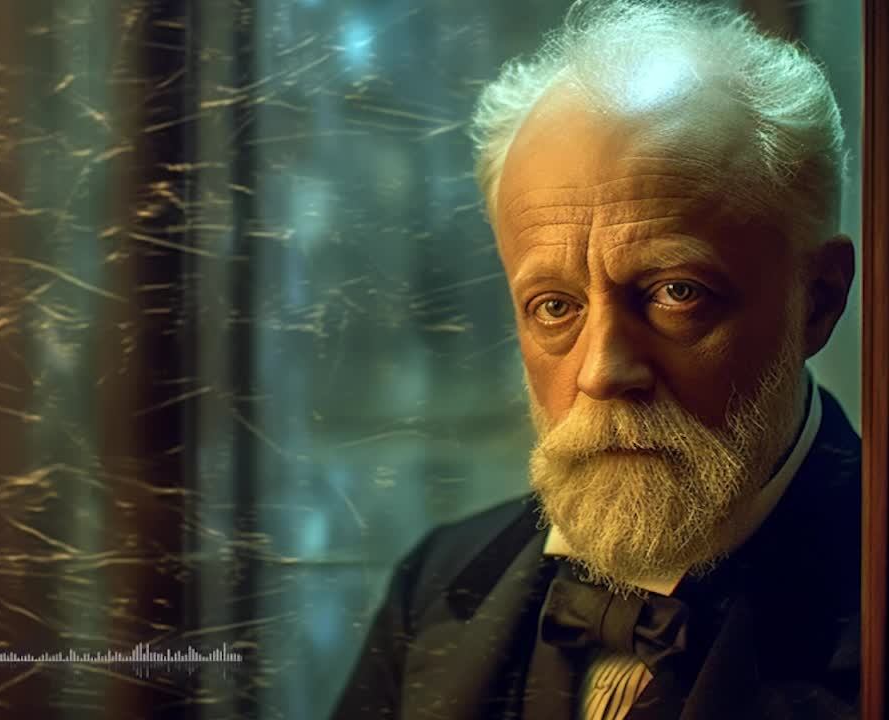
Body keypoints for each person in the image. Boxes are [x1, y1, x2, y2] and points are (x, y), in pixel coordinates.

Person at [328, 1, 859, 718]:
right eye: (555, 306)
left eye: (676, 293)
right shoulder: (436, 590)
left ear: (818, 300)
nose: (601, 371)